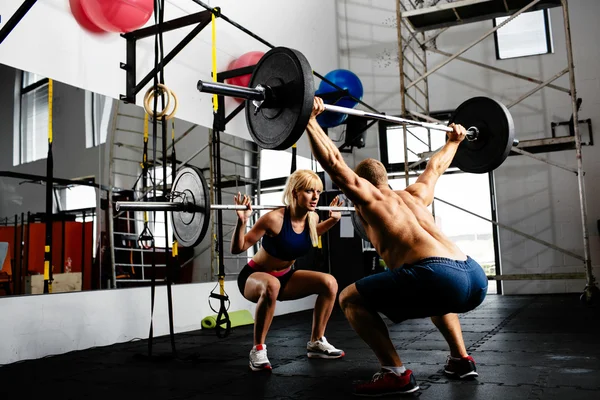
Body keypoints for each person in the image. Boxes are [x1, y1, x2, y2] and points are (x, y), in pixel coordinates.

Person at [305, 97, 488, 396]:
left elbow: (336, 166)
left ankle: (395, 373)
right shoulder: (415, 195)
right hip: (472, 274)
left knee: (349, 298)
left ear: (362, 187)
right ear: (385, 179)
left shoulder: (372, 200)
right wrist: (454, 141)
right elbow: (436, 167)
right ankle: (460, 359)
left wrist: (309, 121)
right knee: (437, 297)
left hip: (438, 275)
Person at [231, 169, 346, 372]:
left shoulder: (312, 218)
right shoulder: (273, 219)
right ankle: (257, 349)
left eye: (317, 191)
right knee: (272, 284)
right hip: (254, 278)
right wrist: (241, 222)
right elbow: (238, 247)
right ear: (294, 192)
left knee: (329, 283)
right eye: (310, 191)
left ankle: (316, 342)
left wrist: (333, 221)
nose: (316, 196)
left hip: (285, 278)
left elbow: (311, 234)